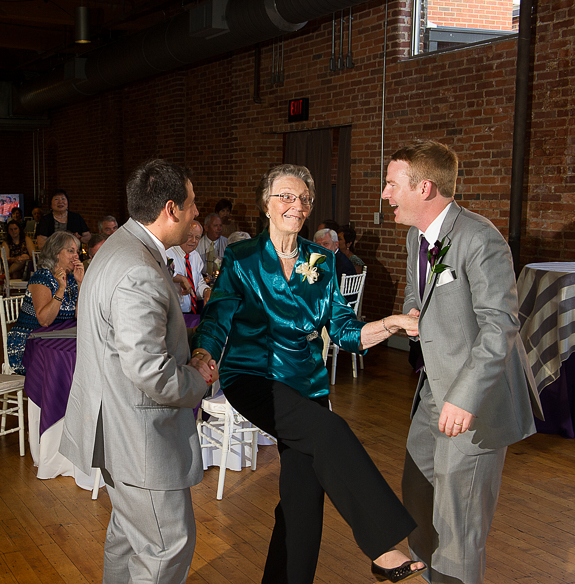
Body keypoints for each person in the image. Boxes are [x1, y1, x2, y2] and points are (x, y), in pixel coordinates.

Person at [192, 163, 425, 584]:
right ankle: (381, 545)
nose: (295, 205)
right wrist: (202, 353)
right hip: (254, 377)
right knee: (332, 433)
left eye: (303, 198)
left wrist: (390, 324)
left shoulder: (323, 260)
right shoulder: (242, 257)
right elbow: (218, 315)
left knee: (302, 499)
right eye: (285, 195)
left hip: (307, 382)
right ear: (266, 203)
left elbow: (344, 330)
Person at [382, 141, 541, 584]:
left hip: (475, 405)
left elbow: (500, 326)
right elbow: (420, 295)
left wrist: (464, 397)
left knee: (458, 522)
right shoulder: (417, 235)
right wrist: (409, 316)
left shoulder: (480, 237)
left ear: (424, 187)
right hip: (433, 392)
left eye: (392, 184)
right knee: (416, 494)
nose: (385, 193)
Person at [59, 160, 215, 584]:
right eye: (193, 204)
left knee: (128, 538)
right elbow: (151, 372)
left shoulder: (120, 246)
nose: (197, 213)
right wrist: (199, 379)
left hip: (116, 426)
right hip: (138, 437)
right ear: (171, 209)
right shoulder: (138, 269)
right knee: (167, 546)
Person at [5, 231, 83, 375]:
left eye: (77, 252)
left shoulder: (72, 279)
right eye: (70, 251)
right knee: (70, 366)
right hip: (29, 344)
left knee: (85, 360)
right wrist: (61, 289)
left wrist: (80, 284)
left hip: (58, 339)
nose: (76, 256)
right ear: (56, 253)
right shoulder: (42, 278)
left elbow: (79, 316)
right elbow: (44, 320)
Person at [166, 220, 210, 314]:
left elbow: (197, 285)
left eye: (197, 237)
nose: (194, 240)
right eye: (190, 236)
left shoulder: (195, 256)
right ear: (180, 233)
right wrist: (179, 278)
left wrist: (206, 291)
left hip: (192, 312)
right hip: (174, 313)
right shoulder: (167, 254)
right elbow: (161, 275)